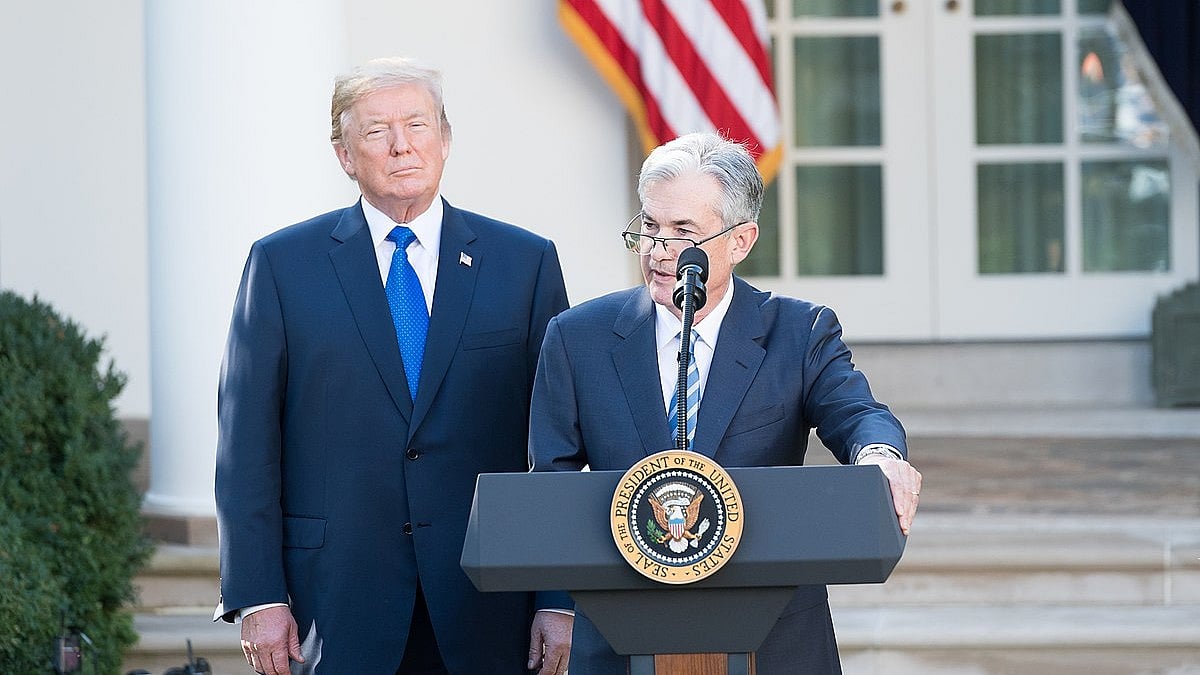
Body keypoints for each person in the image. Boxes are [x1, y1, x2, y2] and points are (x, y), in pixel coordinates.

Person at [213, 57, 573, 674]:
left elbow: (558, 445)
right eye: (377, 131)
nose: (401, 145)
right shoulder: (281, 265)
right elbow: (246, 444)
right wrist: (257, 594)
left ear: (446, 139)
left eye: (417, 124)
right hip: (333, 599)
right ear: (344, 155)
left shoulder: (525, 263)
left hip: (487, 599)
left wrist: (559, 598)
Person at [528, 131, 922, 674]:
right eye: (649, 228)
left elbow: (857, 413)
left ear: (740, 240)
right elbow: (551, 480)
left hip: (774, 639)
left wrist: (881, 454)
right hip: (622, 636)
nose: (658, 251)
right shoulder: (577, 338)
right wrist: (555, 602)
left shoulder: (798, 331)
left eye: (682, 232)